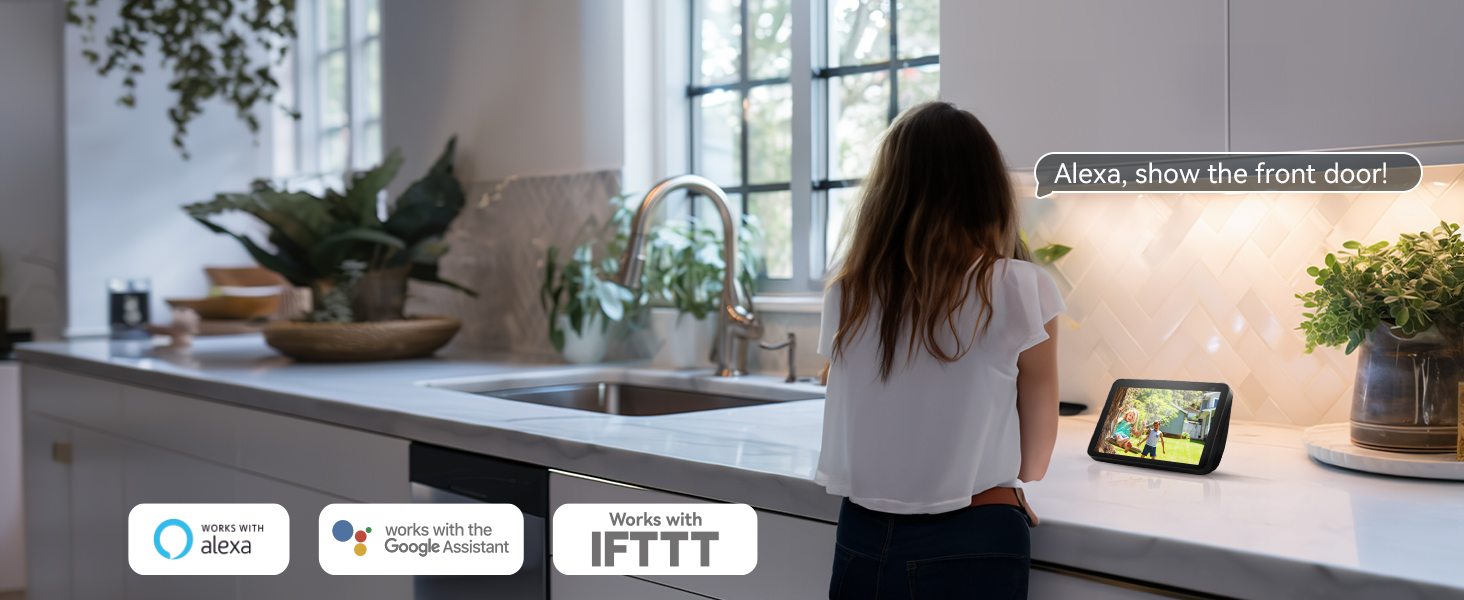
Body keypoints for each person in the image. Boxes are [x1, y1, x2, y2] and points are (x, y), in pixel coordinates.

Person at [816, 102, 1065, 600]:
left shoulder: (847, 292)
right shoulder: (1019, 288)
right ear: (987, 191)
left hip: (861, 536)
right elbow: (1033, 464)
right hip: (973, 534)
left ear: (885, 194)